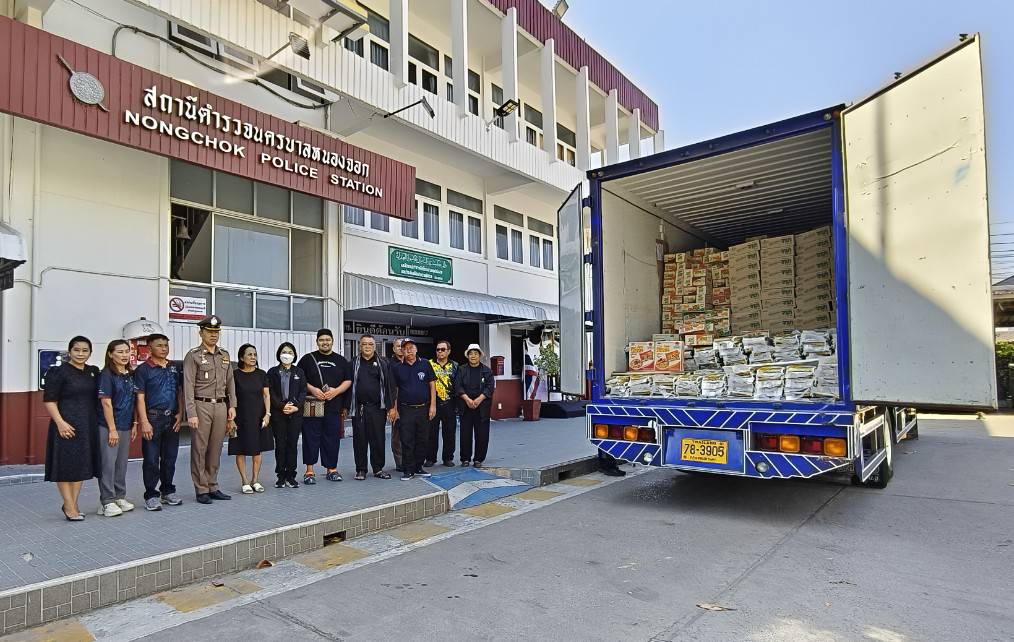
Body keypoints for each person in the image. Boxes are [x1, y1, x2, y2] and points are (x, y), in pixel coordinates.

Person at [43, 336, 100, 521]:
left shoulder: (93, 372)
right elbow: (50, 400)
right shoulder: (59, 372)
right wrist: (60, 423)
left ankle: (73, 504)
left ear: (90, 353)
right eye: (76, 350)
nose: (80, 354)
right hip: (65, 425)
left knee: (80, 465)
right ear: (69, 352)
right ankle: (68, 505)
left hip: (86, 425)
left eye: (85, 350)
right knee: (65, 466)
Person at [183, 315, 236, 505]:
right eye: (209, 332)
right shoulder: (194, 355)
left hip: (221, 406)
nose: (213, 335)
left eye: (216, 332)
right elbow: (188, 386)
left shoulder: (224, 355)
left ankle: (213, 485)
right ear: (201, 333)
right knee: (200, 448)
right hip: (201, 405)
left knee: (216, 448)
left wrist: (232, 406)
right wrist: (191, 413)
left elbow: (230, 382)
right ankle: (201, 488)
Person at [135, 333, 185, 511]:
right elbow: (140, 398)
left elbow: (179, 392)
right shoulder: (143, 370)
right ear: (149, 348)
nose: (164, 349)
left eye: (166, 345)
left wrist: (180, 413)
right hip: (153, 418)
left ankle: (167, 491)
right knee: (151, 459)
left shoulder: (174, 367)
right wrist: (144, 421)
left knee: (170, 458)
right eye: (159, 345)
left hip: (172, 419)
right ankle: (151, 495)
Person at [297, 329, 351, 484]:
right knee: (310, 437)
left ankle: (332, 469)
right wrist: (313, 389)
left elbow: (348, 380)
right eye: (321, 340)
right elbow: (299, 378)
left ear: (332, 341)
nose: (325, 342)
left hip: (334, 406)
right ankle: (309, 471)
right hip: (312, 406)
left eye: (328, 339)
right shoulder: (307, 359)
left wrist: (336, 391)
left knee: (332, 438)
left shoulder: (341, 360)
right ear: (317, 342)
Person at [96, 340, 139, 517]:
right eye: (120, 352)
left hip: (126, 425)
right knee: (108, 464)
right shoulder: (106, 375)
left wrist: (135, 423)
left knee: (121, 463)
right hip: (108, 427)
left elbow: (134, 401)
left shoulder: (131, 374)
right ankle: (107, 501)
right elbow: (106, 403)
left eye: (127, 351)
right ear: (110, 354)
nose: (124, 355)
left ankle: (119, 497)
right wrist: (112, 429)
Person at [347, 334, 395, 480]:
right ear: (359, 346)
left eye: (370, 344)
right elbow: (348, 386)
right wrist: (345, 407)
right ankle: (361, 470)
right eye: (364, 344)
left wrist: (391, 407)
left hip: (378, 408)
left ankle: (378, 469)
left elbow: (389, 386)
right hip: (359, 408)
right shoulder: (353, 363)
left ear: (375, 346)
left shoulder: (383, 363)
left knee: (378, 439)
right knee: (359, 440)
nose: (367, 346)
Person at [388, 338, 436, 481]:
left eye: (411, 347)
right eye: (405, 348)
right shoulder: (397, 368)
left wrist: (433, 406)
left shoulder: (425, 364)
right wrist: (394, 409)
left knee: (422, 439)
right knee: (407, 440)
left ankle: (418, 467)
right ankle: (408, 469)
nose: (409, 350)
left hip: (423, 408)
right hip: (405, 409)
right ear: (401, 351)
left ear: (416, 349)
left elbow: (432, 385)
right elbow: (395, 390)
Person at [229, 344, 272, 494]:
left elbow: (266, 395)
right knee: (239, 449)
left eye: (255, 354)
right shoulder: (234, 375)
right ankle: (245, 481)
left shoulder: (261, 374)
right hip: (239, 417)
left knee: (257, 449)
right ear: (242, 357)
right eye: (249, 354)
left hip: (258, 416)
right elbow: (230, 396)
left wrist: (268, 414)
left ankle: (255, 480)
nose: (253, 357)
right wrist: (230, 419)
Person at [268, 343, 307, 488]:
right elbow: (270, 392)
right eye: (284, 352)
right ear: (279, 354)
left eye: (290, 352)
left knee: (292, 444)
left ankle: (291, 475)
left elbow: (303, 391)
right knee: (280, 445)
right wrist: (281, 405)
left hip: (295, 413)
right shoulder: (272, 372)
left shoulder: (299, 372)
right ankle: (280, 476)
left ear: (294, 355)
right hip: (279, 413)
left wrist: (296, 406)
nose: (287, 355)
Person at [456, 344, 495, 468]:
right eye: (471, 354)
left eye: (476, 354)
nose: (473, 356)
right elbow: (458, 386)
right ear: (467, 356)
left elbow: (490, 387)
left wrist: (479, 399)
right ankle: (465, 459)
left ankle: (478, 459)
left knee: (482, 435)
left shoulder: (487, 371)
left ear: (480, 356)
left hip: (482, 407)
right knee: (465, 434)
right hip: (466, 406)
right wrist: (467, 399)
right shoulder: (461, 370)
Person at [425, 339, 458, 468]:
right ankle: (430, 458)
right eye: (438, 349)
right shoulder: (429, 364)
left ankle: (448, 458)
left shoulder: (455, 365)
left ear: (448, 351)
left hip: (450, 403)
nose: (440, 352)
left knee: (449, 433)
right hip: (433, 403)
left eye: (443, 349)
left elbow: (458, 384)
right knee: (431, 433)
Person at [390, 338, 404, 471]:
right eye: (398, 346)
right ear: (394, 349)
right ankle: (400, 463)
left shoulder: (411, 362)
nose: (400, 348)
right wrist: (393, 408)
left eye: (402, 346)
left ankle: (410, 460)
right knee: (397, 436)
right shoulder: (390, 365)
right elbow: (391, 388)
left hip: (410, 405)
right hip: (396, 405)